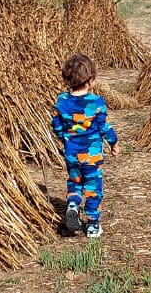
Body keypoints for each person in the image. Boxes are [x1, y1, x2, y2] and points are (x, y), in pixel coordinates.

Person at [52, 53, 119, 238]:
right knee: (92, 188)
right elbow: (104, 127)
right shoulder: (96, 103)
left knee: (75, 182)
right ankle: (92, 225)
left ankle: (73, 204)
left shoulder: (61, 101)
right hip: (92, 155)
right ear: (90, 80)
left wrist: (65, 139)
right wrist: (114, 143)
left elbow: (56, 126)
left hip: (72, 153)